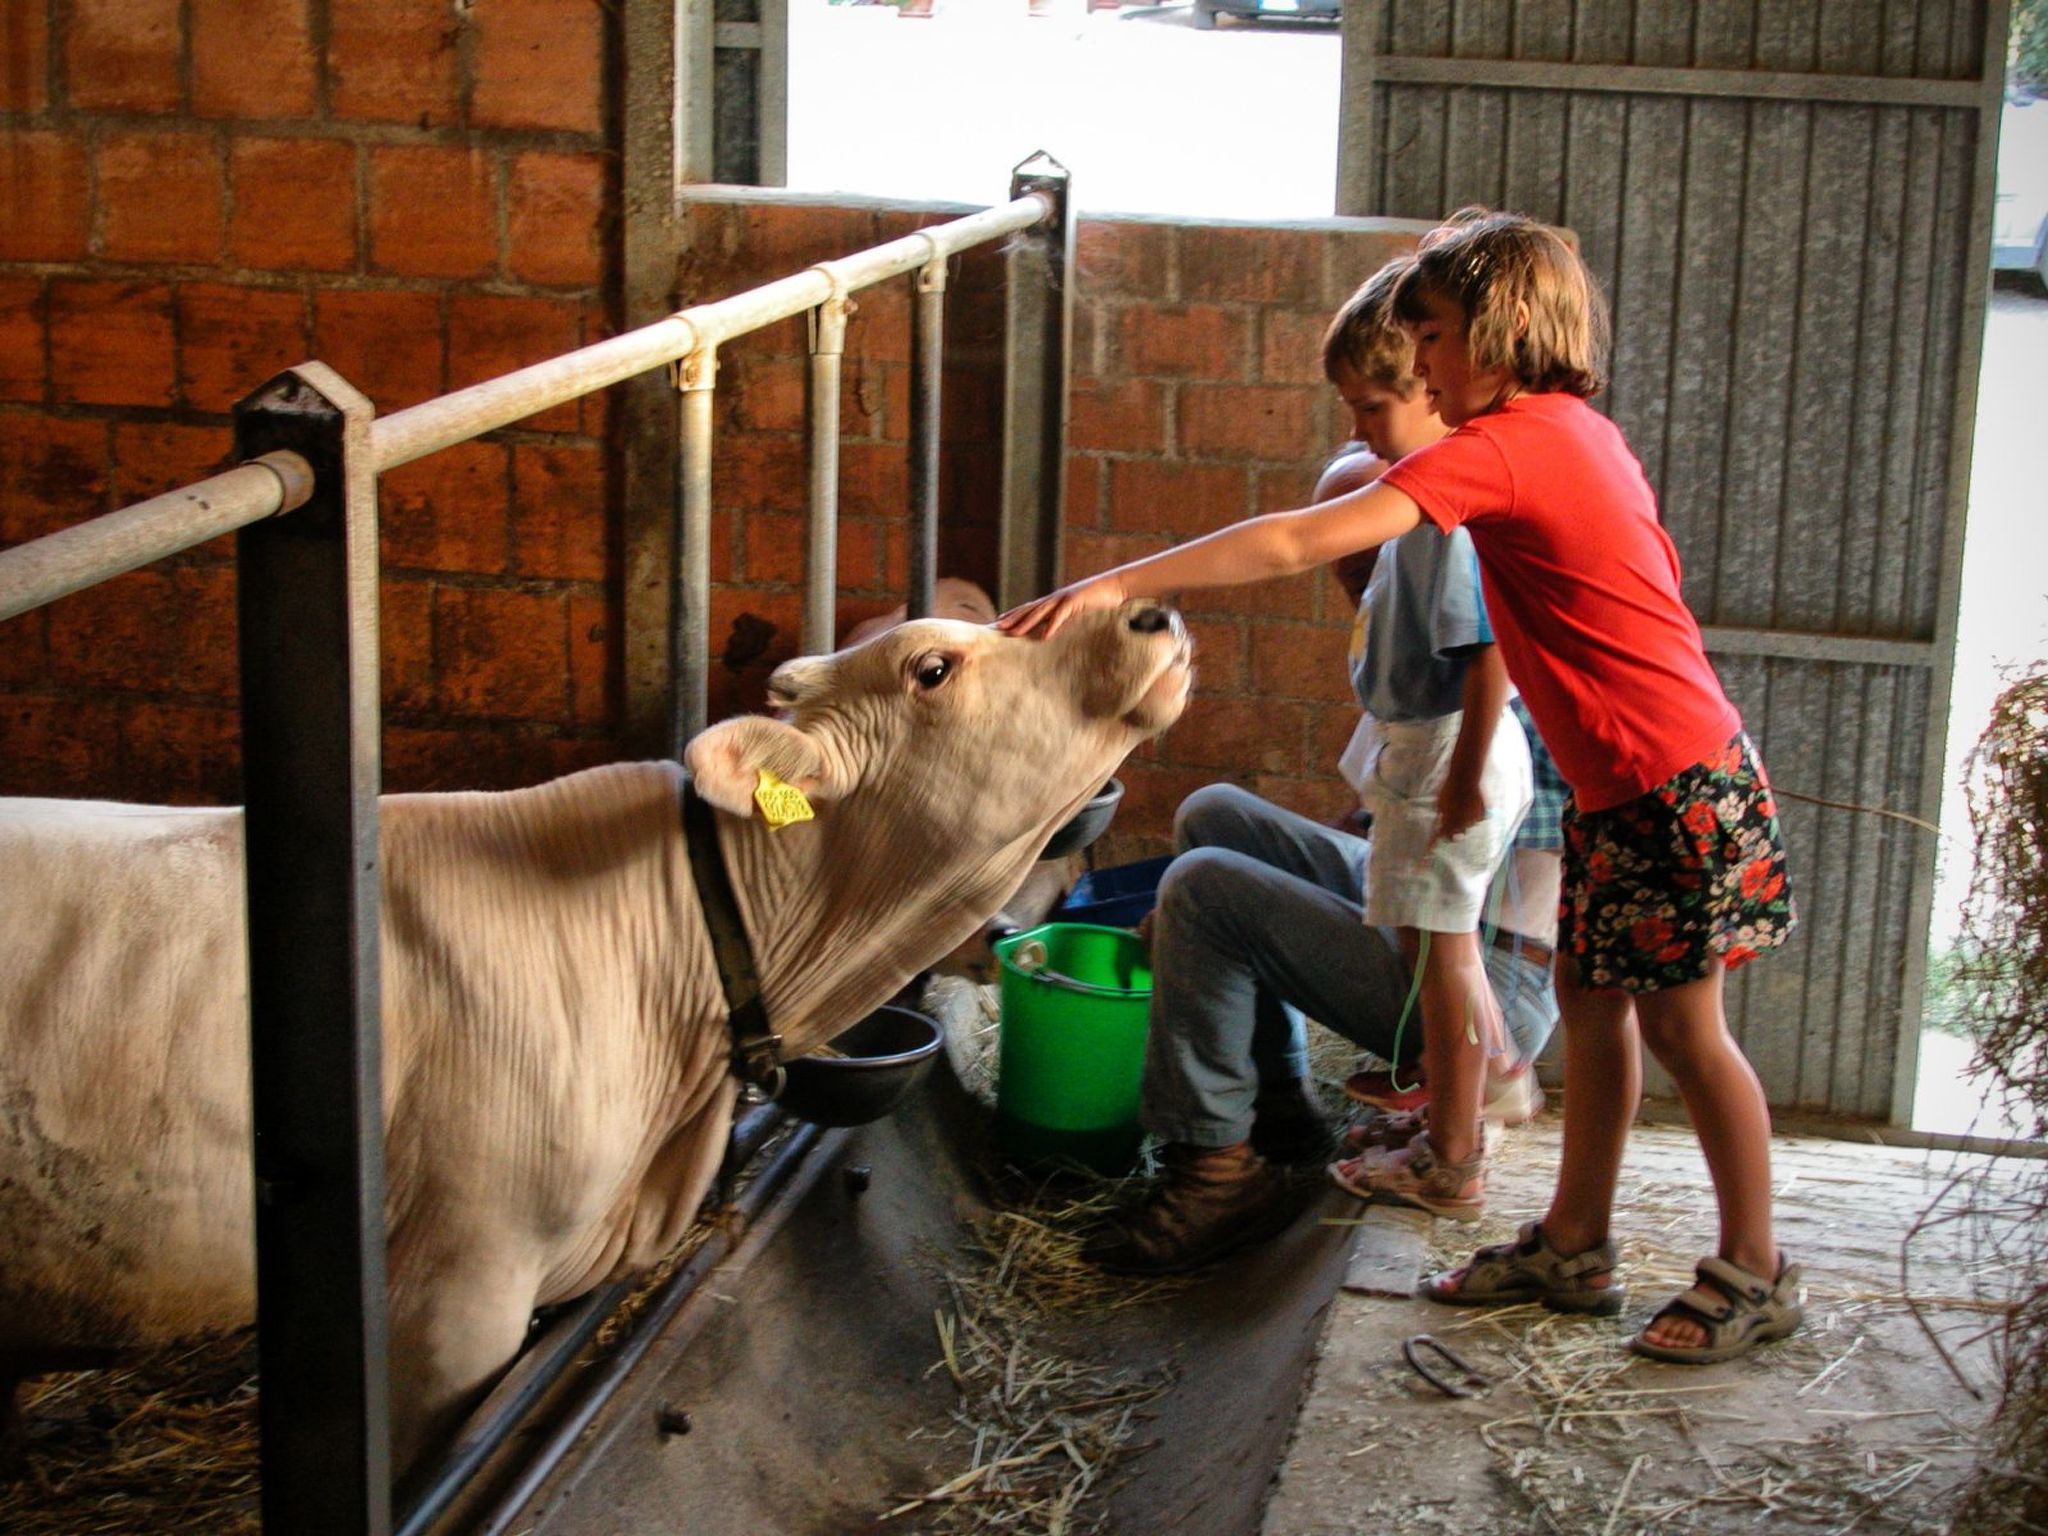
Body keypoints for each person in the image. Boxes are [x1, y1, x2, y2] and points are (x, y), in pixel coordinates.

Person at [1001, 209, 1802, 1364]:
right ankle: (1573, 1244)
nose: (1417, 360)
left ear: (1495, 330)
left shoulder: (1507, 447)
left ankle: (1754, 1271)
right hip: (1635, 786)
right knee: (1591, 1010)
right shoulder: (1570, 431)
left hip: (1669, 785)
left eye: (1428, 335)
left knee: (1684, 1031)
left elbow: (1291, 539)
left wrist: (1112, 581)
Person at [1078, 259, 1552, 1274]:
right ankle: (1280, 1109)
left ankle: (1214, 1172)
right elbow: (1392, 830)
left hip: (1486, 995)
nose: (1352, 584)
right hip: (1435, 921)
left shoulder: (1460, 554)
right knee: (1213, 818)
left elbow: (1466, 874)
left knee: (1204, 888)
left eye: (1360, 563)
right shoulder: (1419, 564)